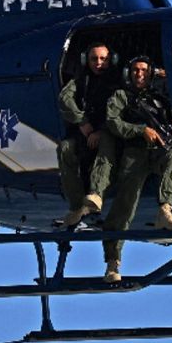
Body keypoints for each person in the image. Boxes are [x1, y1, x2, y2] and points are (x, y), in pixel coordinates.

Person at [98, 56, 172, 282]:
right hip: (133, 152)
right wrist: (140, 130)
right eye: (136, 70)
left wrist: (167, 75)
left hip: (157, 150)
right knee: (125, 205)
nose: (139, 74)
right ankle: (112, 262)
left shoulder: (158, 96)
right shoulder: (121, 96)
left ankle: (165, 210)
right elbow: (112, 121)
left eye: (144, 71)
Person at [57, 43, 120, 229]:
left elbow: (121, 109)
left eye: (103, 59)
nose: (99, 63)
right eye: (94, 59)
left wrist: (101, 129)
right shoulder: (81, 80)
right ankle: (77, 206)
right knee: (65, 148)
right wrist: (82, 122)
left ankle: (96, 193)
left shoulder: (117, 81)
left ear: (111, 60)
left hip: (109, 130)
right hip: (87, 131)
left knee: (106, 142)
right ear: (86, 60)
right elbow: (64, 99)